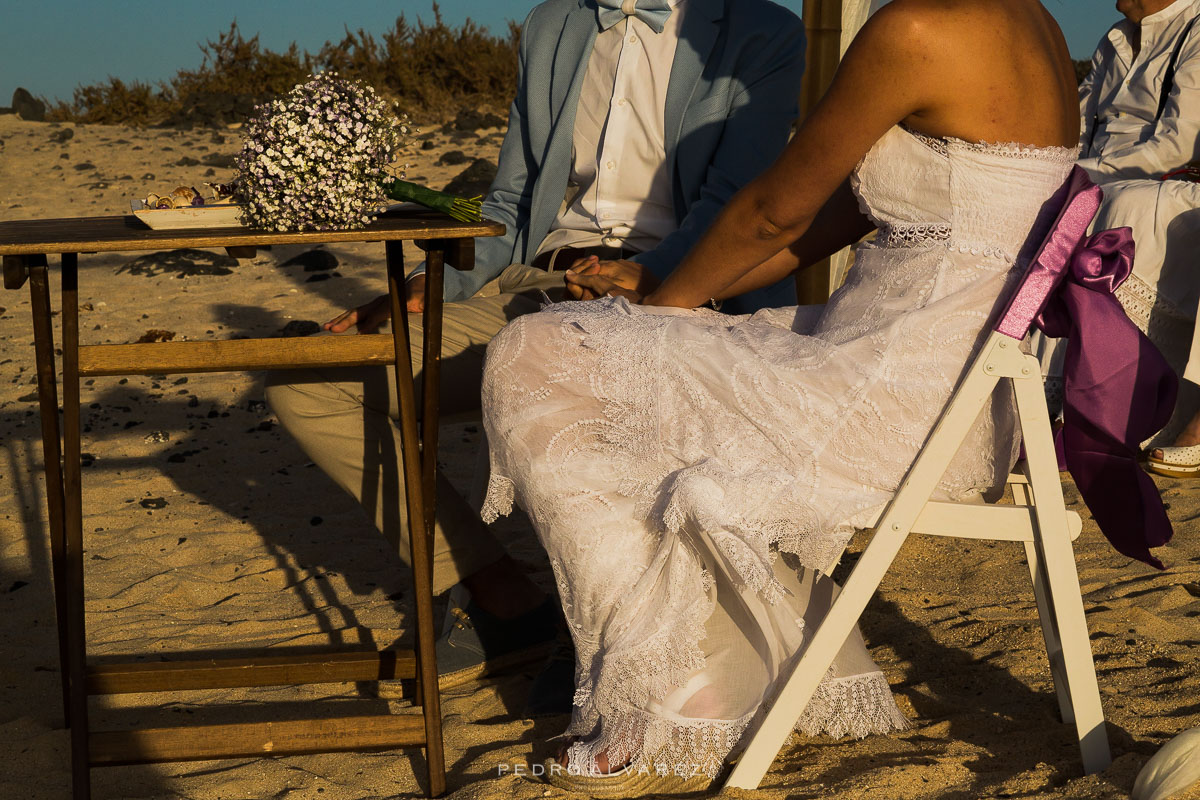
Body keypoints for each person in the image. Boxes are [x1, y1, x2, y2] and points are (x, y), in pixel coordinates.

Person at [479, 0, 1080, 790]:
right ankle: (697, 665)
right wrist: (671, 293)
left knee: (534, 351)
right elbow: (825, 222)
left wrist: (659, 314)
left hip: (890, 400)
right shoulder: (1030, 21)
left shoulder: (919, 28)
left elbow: (774, 211)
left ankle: (664, 692)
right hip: (951, 389)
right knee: (609, 354)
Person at [264, 0, 806, 690]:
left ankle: (614, 643)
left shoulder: (766, 30)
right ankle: (502, 600)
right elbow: (507, 203)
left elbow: (736, 201)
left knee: (578, 386)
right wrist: (423, 283)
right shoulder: (555, 24)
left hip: (688, 289)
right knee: (306, 382)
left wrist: (643, 276)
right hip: (545, 281)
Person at [1037, 0, 1200, 462]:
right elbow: (1078, 125)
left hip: (1175, 185)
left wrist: (1084, 179)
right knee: (1035, 205)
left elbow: (1178, 144)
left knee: (1116, 204)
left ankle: (1102, 411)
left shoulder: (1196, 30)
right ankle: (1033, 399)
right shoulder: (1115, 37)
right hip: (1108, 179)